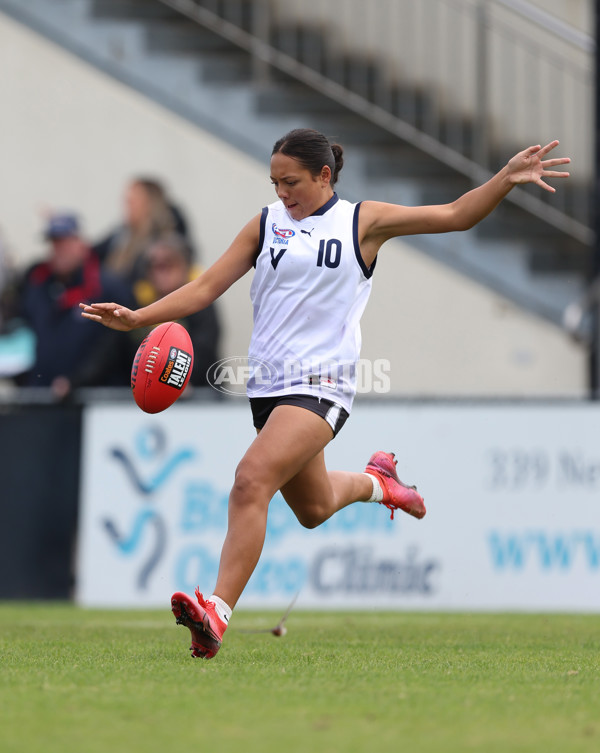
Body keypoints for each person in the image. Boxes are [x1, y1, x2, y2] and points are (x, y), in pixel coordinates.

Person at [81, 128, 570, 659]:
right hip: (268, 391)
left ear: (324, 176)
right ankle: (378, 483)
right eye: (273, 183)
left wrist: (504, 178)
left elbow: (455, 215)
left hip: (321, 387)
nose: (281, 193)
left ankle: (216, 613)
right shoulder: (265, 225)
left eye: (290, 182)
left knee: (250, 481)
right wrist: (137, 318)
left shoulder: (363, 221)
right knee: (313, 508)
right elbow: (204, 288)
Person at [15, 212, 134, 397]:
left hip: (93, 400)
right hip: (40, 398)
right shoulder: (38, 284)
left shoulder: (107, 288)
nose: (59, 250)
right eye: (55, 243)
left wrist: (76, 381)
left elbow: (113, 345)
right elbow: (21, 331)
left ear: (81, 244)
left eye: (66, 243)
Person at [134, 232, 221, 387]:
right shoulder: (137, 305)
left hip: (197, 395)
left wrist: (180, 380)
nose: (161, 271)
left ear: (186, 267)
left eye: (169, 263)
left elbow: (204, 350)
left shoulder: (202, 304)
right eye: (155, 265)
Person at [94, 177, 192, 288]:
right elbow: (92, 253)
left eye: (133, 201)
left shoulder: (166, 239)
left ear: (150, 204)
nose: (127, 207)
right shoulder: (122, 234)